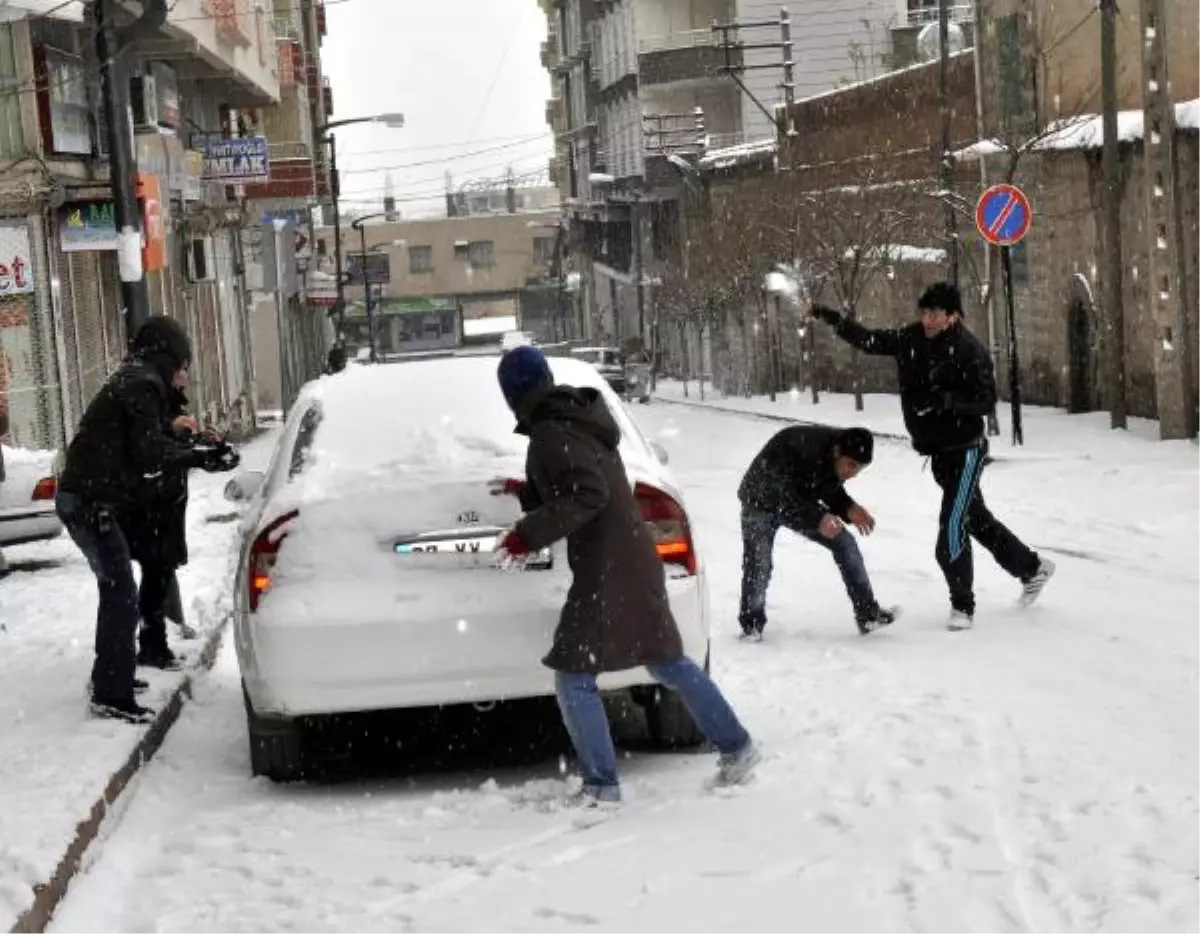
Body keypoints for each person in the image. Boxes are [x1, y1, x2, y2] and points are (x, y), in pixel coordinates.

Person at [492, 345, 760, 805]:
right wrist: (531, 492)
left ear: (513, 393)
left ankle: (602, 786)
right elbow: (580, 482)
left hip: (607, 569)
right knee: (666, 661)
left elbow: (586, 494)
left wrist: (525, 534)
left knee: (574, 676)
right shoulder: (575, 418)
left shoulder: (552, 433)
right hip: (631, 558)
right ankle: (737, 747)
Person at [808, 282, 1055, 630]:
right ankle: (1032, 568)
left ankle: (963, 607)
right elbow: (869, 340)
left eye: (935, 314)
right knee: (976, 520)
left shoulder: (969, 350)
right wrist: (828, 315)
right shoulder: (911, 339)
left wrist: (947, 402)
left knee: (951, 529)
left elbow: (986, 401)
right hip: (938, 454)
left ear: (952, 315)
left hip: (965, 451)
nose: (927, 319)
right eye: (923, 313)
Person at [56, 316, 236, 723]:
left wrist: (188, 442)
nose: (183, 372)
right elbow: (148, 452)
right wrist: (200, 456)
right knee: (119, 592)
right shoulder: (143, 383)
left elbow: (145, 440)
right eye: (181, 362)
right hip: (89, 502)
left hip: (89, 499)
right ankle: (110, 692)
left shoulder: (135, 378)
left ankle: (112, 678)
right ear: (166, 355)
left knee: (117, 589)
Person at [738, 425, 894, 639]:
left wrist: (848, 508)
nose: (852, 474)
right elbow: (781, 493)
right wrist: (818, 518)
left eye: (858, 469)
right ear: (838, 452)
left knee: (844, 542)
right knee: (759, 563)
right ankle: (752, 625)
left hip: (795, 502)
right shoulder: (804, 446)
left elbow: (827, 486)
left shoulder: (835, 455)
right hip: (759, 500)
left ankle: (867, 614)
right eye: (850, 466)